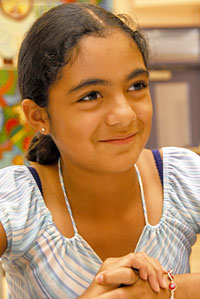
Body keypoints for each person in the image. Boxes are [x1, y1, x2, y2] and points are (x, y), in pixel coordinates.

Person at [0, 2, 200, 298]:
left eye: (136, 86)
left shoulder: (183, 177)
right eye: (91, 95)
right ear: (38, 116)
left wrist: (164, 291)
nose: (125, 115)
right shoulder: (16, 204)